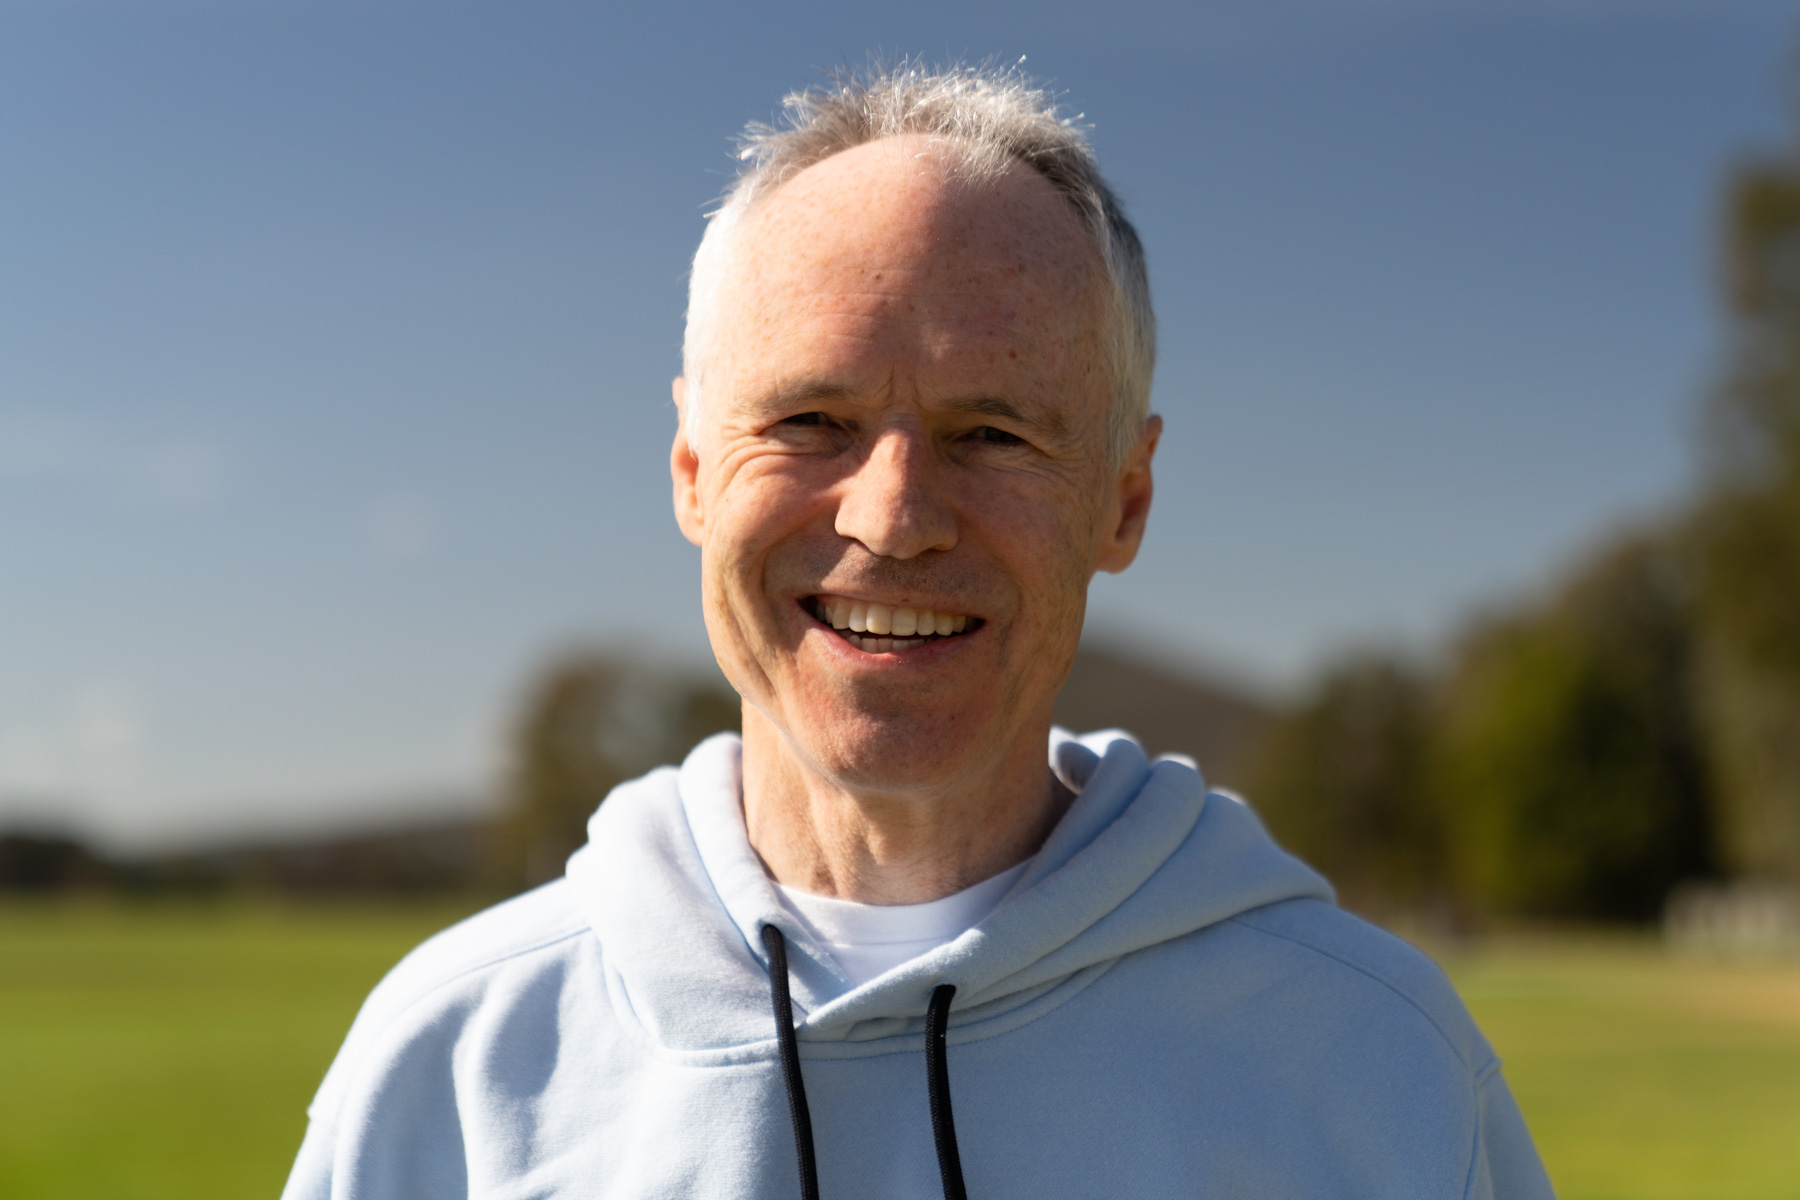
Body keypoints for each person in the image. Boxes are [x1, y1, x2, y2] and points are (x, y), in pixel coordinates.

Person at [282, 64, 1554, 1199]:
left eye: (992, 436)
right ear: (688, 468)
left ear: (1125, 499)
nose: (893, 518)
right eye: (810, 423)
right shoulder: (450, 1069)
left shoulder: (1375, 1068)